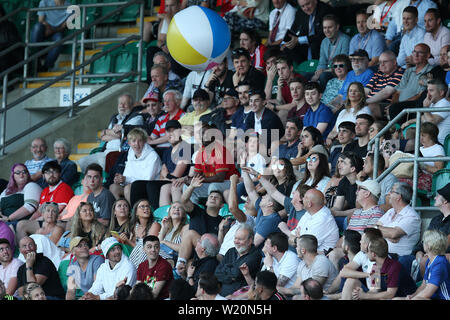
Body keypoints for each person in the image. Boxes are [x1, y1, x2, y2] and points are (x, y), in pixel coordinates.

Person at [78, 94, 144, 172]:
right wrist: (113, 134)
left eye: (125, 103)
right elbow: (103, 137)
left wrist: (108, 132)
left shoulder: (136, 117)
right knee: (82, 161)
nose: (122, 106)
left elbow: (123, 134)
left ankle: (104, 182)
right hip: (105, 151)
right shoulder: (115, 118)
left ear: (132, 105)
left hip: (120, 152)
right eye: (120, 103)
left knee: (103, 160)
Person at [174, 176, 225, 271]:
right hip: (193, 253)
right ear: (206, 202)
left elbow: (221, 245)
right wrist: (192, 186)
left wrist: (222, 229)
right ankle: (180, 269)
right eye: (211, 197)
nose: (213, 198)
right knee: (189, 266)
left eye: (216, 198)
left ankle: (179, 266)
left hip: (209, 254)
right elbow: (184, 200)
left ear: (221, 205)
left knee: (189, 234)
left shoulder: (223, 221)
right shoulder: (197, 211)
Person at [15, 161, 74, 241]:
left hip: (57, 222)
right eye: (47, 172)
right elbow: (39, 211)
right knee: (20, 224)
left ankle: (27, 248)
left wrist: (37, 220)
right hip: (45, 221)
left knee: (21, 225)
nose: (51, 175)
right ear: (43, 176)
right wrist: (31, 220)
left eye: (54, 172)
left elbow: (58, 209)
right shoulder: (45, 190)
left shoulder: (64, 188)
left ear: (60, 174)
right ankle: (25, 250)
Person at [351, 237, 416, 300]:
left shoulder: (394, 267)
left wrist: (365, 296)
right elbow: (374, 290)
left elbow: (390, 294)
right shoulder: (375, 267)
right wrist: (361, 295)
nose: (366, 253)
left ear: (373, 254)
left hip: (407, 297)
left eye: (368, 251)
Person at [409, 183, 450, 281]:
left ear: (446, 201)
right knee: (405, 260)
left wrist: (430, 254)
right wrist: (418, 251)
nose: (435, 197)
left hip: (439, 256)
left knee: (424, 261)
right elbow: (424, 240)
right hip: (426, 254)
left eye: (438, 196)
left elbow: (446, 246)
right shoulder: (436, 219)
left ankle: (427, 290)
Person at [109, 128, 162, 203]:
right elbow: (128, 173)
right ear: (129, 143)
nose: (136, 144)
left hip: (148, 188)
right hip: (130, 185)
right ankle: (122, 208)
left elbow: (147, 179)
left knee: (128, 188)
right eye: (133, 141)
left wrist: (126, 179)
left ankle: (131, 212)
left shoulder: (153, 156)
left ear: (144, 141)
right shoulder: (131, 152)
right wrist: (120, 179)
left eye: (139, 141)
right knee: (113, 187)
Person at [385, 43, 434, 122]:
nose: (416, 55)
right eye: (414, 52)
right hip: (398, 108)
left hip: (411, 108)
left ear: (428, 55)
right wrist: (392, 105)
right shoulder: (409, 70)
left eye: (420, 52)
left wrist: (398, 106)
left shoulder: (431, 71)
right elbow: (397, 92)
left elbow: (420, 95)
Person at [214, 224, 263, 297]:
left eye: (240, 239)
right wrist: (232, 277)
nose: (236, 241)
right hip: (221, 294)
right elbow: (217, 273)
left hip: (240, 296)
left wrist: (226, 269)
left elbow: (237, 273)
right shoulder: (231, 251)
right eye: (235, 238)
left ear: (250, 241)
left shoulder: (255, 255)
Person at [376, 182, 421, 257]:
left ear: (399, 197)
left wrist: (385, 232)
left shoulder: (412, 216)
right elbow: (374, 228)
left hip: (398, 257)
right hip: (382, 254)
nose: (389, 193)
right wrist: (388, 234)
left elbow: (393, 234)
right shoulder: (391, 211)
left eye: (392, 191)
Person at [281, 0, 333, 64]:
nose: (306, 8)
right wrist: (285, 43)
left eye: (308, 4)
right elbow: (294, 30)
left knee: (314, 44)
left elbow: (324, 35)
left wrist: (299, 40)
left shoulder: (326, 10)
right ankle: (301, 69)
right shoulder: (300, 12)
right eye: (302, 6)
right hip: (305, 47)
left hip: (321, 45)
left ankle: (315, 68)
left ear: (315, 1)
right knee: (286, 49)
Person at [401, 78, 450, 145]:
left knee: (410, 134)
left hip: (439, 142)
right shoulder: (433, 103)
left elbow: (431, 122)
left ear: (441, 92)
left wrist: (425, 107)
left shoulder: (445, 103)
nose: (428, 94)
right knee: (407, 131)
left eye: (431, 91)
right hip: (430, 140)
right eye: (428, 91)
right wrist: (409, 122)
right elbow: (424, 118)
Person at [291, 189, 340, 253]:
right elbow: (290, 238)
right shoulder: (309, 213)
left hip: (321, 259)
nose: (301, 199)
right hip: (307, 257)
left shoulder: (323, 219)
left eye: (305, 197)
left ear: (309, 204)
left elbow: (305, 248)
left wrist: (297, 239)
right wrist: (298, 239)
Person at [31, 0, 72, 72]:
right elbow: (41, 20)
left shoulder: (70, 6)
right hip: (45, 28)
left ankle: (46, 67)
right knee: (37, 27)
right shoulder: (44, 2)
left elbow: (63, 26)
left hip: (57, 31)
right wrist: (48, 28)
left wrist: (52, 30)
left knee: (59, 39)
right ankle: (34, 60)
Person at [312, 14, 350, 88]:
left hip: (338, 71)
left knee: (323, 76)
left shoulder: (345, 40)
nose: (327, 30)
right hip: (325, 71)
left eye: (330, 27)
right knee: (306, 75)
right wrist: (317, 73)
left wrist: (323, 71)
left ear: (337, 27)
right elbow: (322, 62)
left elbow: (342, 64)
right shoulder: (324, 41)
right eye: (325, 28)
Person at [0, 164, 42, 230]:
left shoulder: (31, 186)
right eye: (18, 173)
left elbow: (30, 207)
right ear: (13, 176)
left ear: (28, 174)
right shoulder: (6, 191)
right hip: (4, 223)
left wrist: (9, 219)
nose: (21, 175)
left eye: (24, 172)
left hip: (21, 224)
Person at [365, 51, 405, 119]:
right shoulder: (379, 74)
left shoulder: (400, 73)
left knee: (369, 108)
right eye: (380, 62)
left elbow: (386, 92)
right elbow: (366, 90)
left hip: (386, 105)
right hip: (370, 102)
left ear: (394, 62)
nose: (382, 64)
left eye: (385, 61)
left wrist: (365, 102)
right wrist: (357, 101)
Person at [125, 199, 161, 269]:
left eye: (148, 206)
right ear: (136, 212)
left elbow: (149, 248)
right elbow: (134, 248)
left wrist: (128, 241)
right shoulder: (135, 226)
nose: (146, 208)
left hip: (151, 256)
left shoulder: (155, 225)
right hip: (137, 258)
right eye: (142, 206)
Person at [330, 151, 364, 226]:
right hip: (350, 216)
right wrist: (329, 212)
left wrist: (337, 213)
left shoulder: (363, 182)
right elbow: (337, 206)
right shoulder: (343, 182)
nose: (339, 164)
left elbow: (361, 209)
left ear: (352, 168)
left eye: (343, 162)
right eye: (338, 162)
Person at [136, 235, 173, 300]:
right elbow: (137, 289)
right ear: (144, 249)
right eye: (149, 247)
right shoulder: (141, 266)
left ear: (159, 248)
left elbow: (154, 294)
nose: (153, 250)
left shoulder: (164, 265)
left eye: (156, 247)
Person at [148, 90, 186, 154]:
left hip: (173, 150)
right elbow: (152, 137)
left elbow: (171, 136)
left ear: (178, 102)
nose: (166, 104)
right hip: (158, 151)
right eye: (165, 101)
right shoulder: (161, 119)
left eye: (169, 101)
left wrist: (152, 142)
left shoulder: (185, 117)